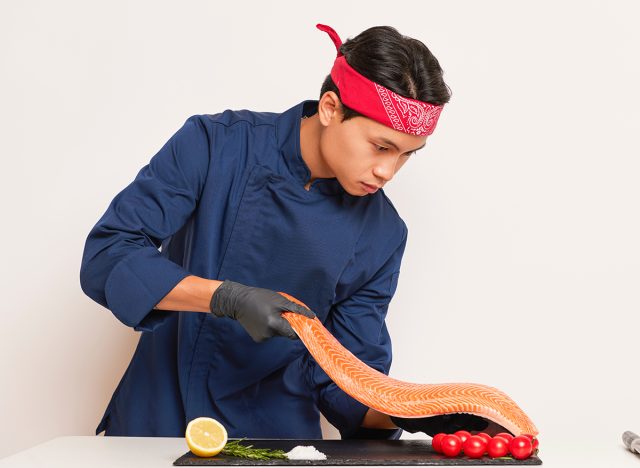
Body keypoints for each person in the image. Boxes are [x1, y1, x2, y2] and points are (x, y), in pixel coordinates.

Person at [80, 22, 496, 441]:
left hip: (274, 442)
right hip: (156, 419)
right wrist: (225, 297)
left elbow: (347, 384)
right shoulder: (215, 144)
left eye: (407, 155)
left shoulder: (382, 234)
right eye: (380, 146)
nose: (387, 171)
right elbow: (108, 255)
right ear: (331, 108)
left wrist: (415, 416)